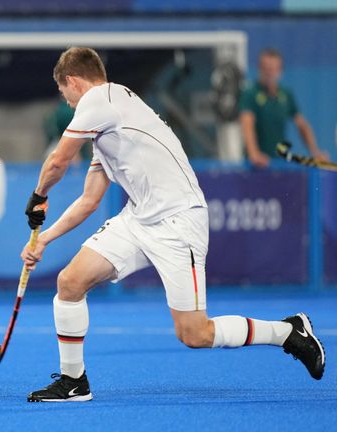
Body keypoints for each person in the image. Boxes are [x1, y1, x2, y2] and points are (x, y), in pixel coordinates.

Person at [20, 47, 325, 403]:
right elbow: (89, 200)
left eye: (63, 93)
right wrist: (46, 240)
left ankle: (287, 332)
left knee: (195, 333)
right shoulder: (106, 125)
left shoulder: (99, 100)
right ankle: (74, 382)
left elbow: (57, 160)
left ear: (72, 81)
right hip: (139, 219)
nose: (66, 101)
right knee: (70, 282)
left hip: (179, 221)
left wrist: (38, 194)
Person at [239, 48, 329, 168]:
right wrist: (254, 153)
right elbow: (247, 124)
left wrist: (315, 151)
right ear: (260, 69)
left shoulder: (286, 94)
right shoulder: (250, 93)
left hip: (278, 164)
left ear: (280, 70)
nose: (269, 72)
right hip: (256, 167)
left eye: (273, 69)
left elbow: (302, 125)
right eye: (266, 68)